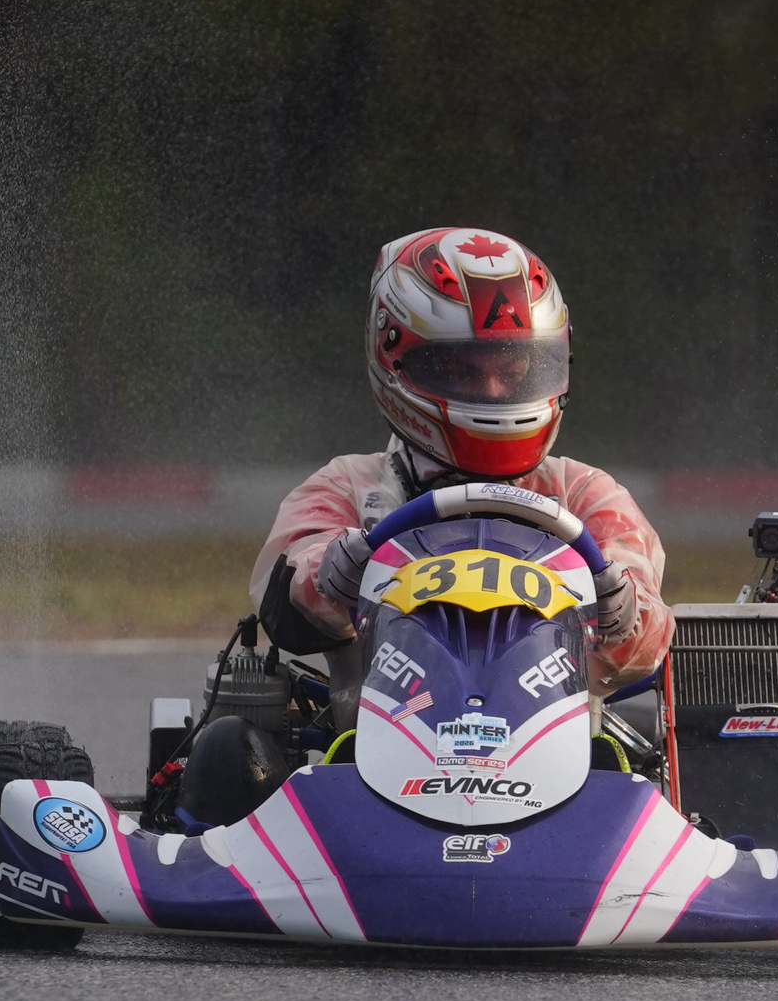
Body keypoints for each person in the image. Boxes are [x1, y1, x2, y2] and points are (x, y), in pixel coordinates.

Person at [250, 227, 672, 730]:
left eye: (512, 370)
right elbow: (293, 577)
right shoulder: (348, 487)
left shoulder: (584, 495)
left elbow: (647, 633)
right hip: (370, 756)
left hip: (558, 765)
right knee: (230, 762)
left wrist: (620, 609)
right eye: (462, 369)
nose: (493, 393)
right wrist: (330, 571)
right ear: (393, 359)